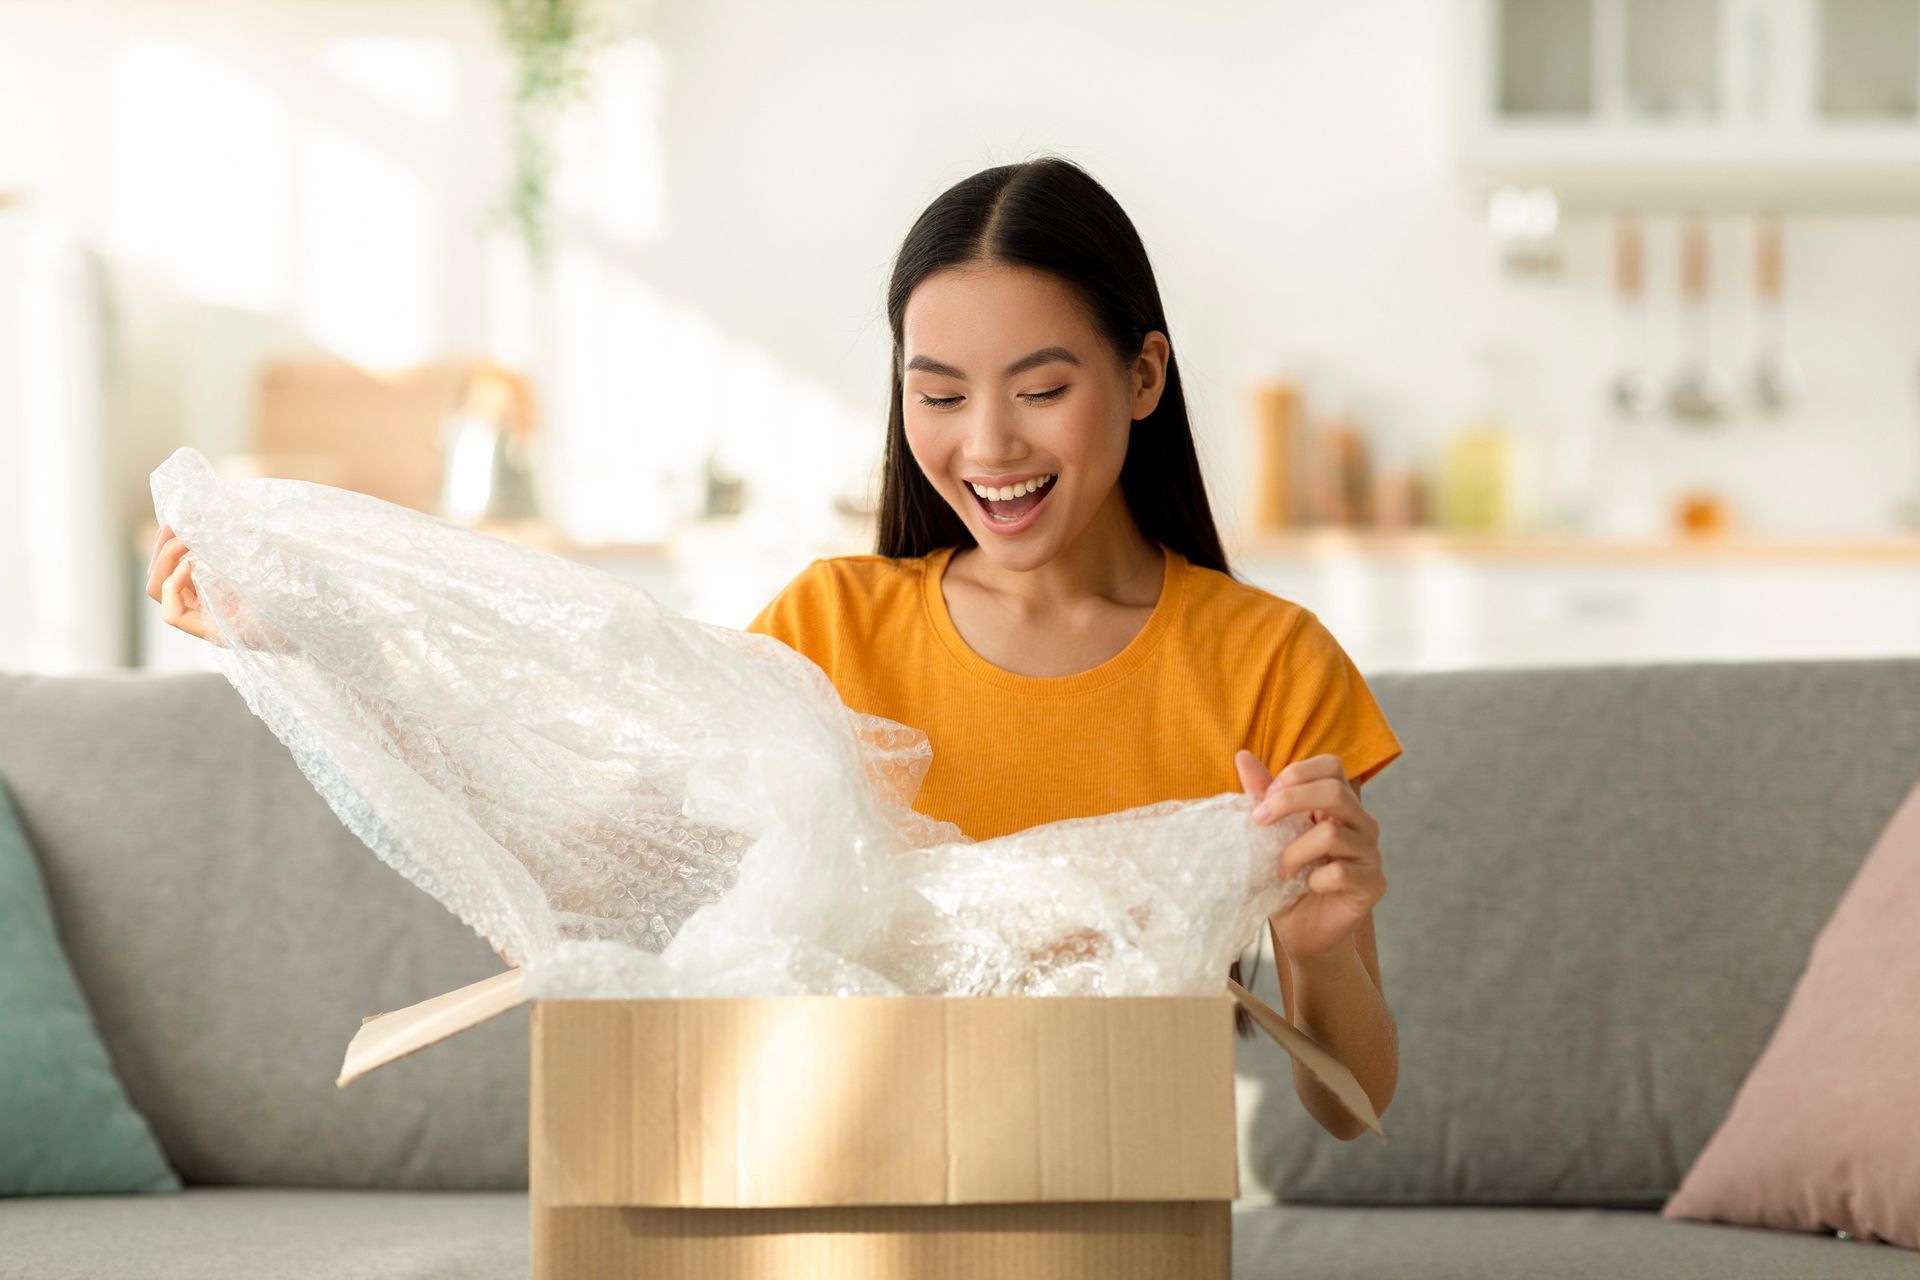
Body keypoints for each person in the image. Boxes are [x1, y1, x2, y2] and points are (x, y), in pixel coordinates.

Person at [740, 156, 1403, 1140]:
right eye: (941, 395)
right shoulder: (826, 629)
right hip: (862, 1173)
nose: (989, 443)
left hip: (1120, 1187)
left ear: (1143, 376)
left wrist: (1318, 948)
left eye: (1040, 389)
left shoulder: (1269, 661)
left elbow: (1353, 1103)